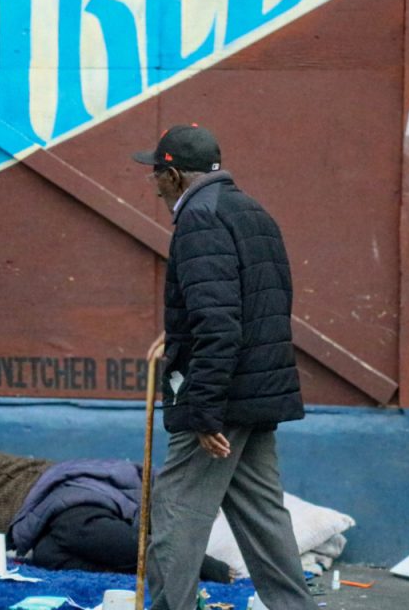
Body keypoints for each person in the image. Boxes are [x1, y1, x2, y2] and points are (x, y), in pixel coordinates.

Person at [133, 125, 317, 610]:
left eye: (155, 172)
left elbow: (219, 324)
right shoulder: (252, 211)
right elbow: (255, 309)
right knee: (262, 516)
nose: (151, 182)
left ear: (173, 174)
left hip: (222, 397)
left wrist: (203, 412)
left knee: (176, 513)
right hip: (257, 391)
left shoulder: (199, 220)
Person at [0, 443, 232, 580]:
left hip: (60, 496)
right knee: (53, 556)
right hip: (37, 526)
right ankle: (158, 565)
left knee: (78, 532)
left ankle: (197, 563)